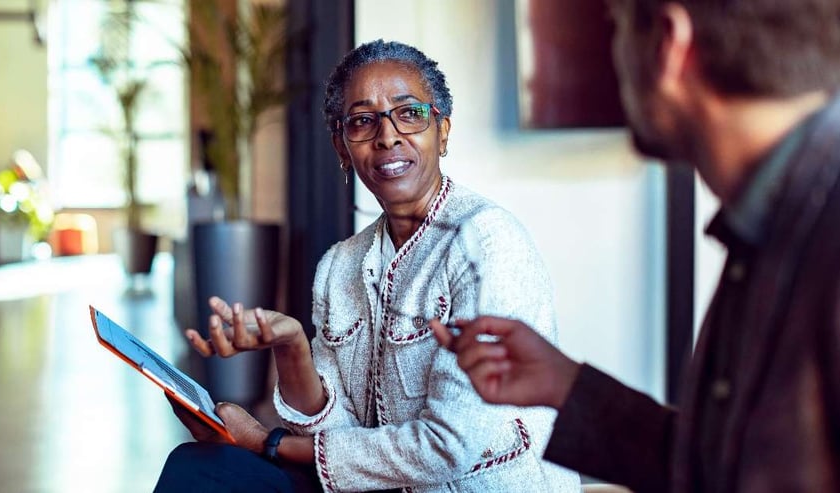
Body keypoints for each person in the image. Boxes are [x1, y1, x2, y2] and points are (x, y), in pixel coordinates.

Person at [433, 0, 840, 492]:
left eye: (617, 27)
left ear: (670, 44)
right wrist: (567, 386)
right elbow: (723, 469)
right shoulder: (776, 218)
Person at [154, 39, 580, 492]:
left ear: (443, 131)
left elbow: (448, 447)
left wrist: (266, 443)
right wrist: (293, 345)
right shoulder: (340, 266)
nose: (388, 135)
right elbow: (331, 435)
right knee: (200, 465)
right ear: (342, 147)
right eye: (362, 121)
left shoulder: (487, 243)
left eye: (409, 113)